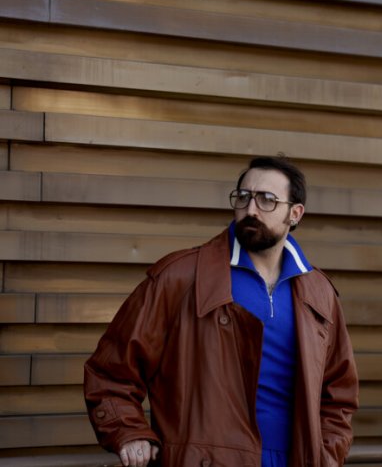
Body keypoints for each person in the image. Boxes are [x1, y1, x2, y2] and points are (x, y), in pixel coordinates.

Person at [84, 155, 359, 467]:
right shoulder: (180, 277)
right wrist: (129, 431)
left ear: (294, 214)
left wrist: (327, 455)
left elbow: (339, 393)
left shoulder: (318, 292)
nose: (251, 209)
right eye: (243, 197)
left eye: (267, 200)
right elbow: (110, 371)